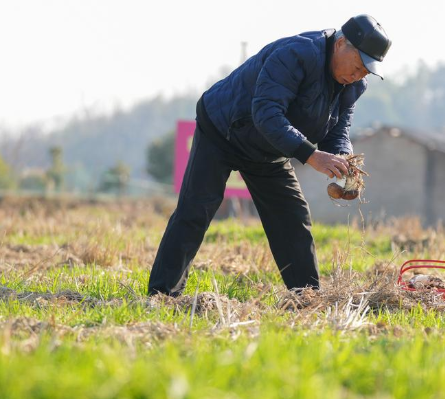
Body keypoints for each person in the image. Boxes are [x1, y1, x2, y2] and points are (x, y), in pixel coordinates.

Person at [148, 14, 391, 296]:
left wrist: (344, 160)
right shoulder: (295, 55)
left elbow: (338, 128)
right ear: (340, 44)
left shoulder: (353, 85)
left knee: (292, 218)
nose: (359, 75)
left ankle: (306, 298)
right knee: (196, 209)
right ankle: (162, 295)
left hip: (269, 149)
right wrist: (312, 155)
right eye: (359, 65)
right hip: (223, 130)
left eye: (367, 71)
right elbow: (266, 114)